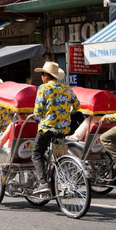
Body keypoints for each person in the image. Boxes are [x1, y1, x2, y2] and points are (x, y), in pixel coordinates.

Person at [31, 62, 80, 195]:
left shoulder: (44, 88)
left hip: (47, 128)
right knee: (60, 155)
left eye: (42, 74)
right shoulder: (67, 88)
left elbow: (38, 111)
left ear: (47, 76)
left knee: (36, 154)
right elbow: (77, 106)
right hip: (64, 129)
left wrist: (37, 117)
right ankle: (66, 178)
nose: (42, 77)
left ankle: (43, 183)